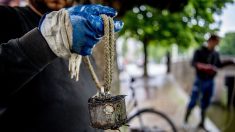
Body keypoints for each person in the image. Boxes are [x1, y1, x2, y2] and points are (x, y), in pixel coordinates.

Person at [0, 1, 123, 132]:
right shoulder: (7, 18)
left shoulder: (83, 37)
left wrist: (109, 126)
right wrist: (51, 38)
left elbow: (92, 92)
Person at [184, 34, 235, 131]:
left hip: (210, 81)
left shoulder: (215, 54)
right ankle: (185, 121)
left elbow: (219, 65)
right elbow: (193, 63)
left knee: (206, 102)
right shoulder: (199, 51)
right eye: (216, 42)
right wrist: (205, 67)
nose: (217, 44)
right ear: (211, 41)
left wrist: (231, 61)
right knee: (193, 101)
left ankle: (202, 123)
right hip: (200, 80)